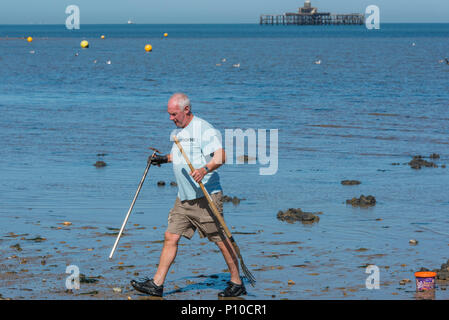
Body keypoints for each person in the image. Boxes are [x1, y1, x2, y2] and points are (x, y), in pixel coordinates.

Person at [130, 93, 246, 298]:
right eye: (169, 114)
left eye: (173, 114)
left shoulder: (204, 129)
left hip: (205, 197)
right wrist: (162, 159)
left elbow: (221, 156)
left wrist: (205, 169)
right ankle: (157, 285)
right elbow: (179, 156)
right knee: (170, 236)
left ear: (186, 110)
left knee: (220, 239)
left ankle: (237, 282)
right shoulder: (180, 132)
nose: (170, 118)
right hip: (183, 198)